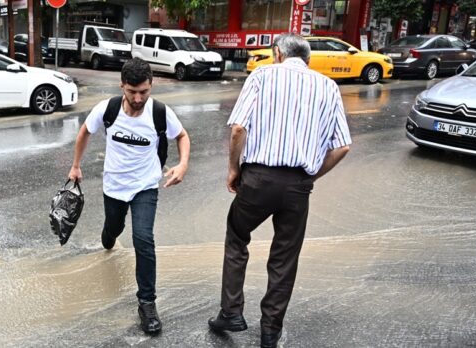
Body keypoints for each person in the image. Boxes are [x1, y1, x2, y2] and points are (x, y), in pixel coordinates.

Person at [208, 33, 351, 348]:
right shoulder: (328, 87)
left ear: (277, 54)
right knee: (285, 257)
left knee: (237, 237)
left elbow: (238, 129)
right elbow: (342, 146)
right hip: (298, 186)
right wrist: (311, 176)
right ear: (308, 58)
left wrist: (234, 170)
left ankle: (231, 312)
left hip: (257, 178)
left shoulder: (262, 75)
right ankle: (270, 331)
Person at [67, 57, 190, 334]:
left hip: (145, 186)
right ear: (122, 85)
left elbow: (182, 136)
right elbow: (85, 131)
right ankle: (108, 236)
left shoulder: (159, 112)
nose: (137, 98)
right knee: (114, 228)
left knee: (143, 239)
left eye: (143, 92)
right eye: (131, 92)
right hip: (114, 186)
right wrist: (75, 166)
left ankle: (147, 303)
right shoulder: (108, 108)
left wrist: (182, 164)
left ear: (151, 85)